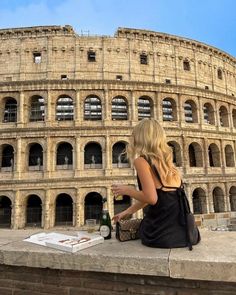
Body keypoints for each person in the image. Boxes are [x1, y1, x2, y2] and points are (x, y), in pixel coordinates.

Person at [112, 118, 188, 248]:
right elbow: (157, 196)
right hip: (185, 233)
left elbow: (151, 198)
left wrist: (128, 190)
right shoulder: (168, 164)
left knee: (137, 228)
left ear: (140, 137)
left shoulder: (141, 161)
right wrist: (127, 211)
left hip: (161, 235)